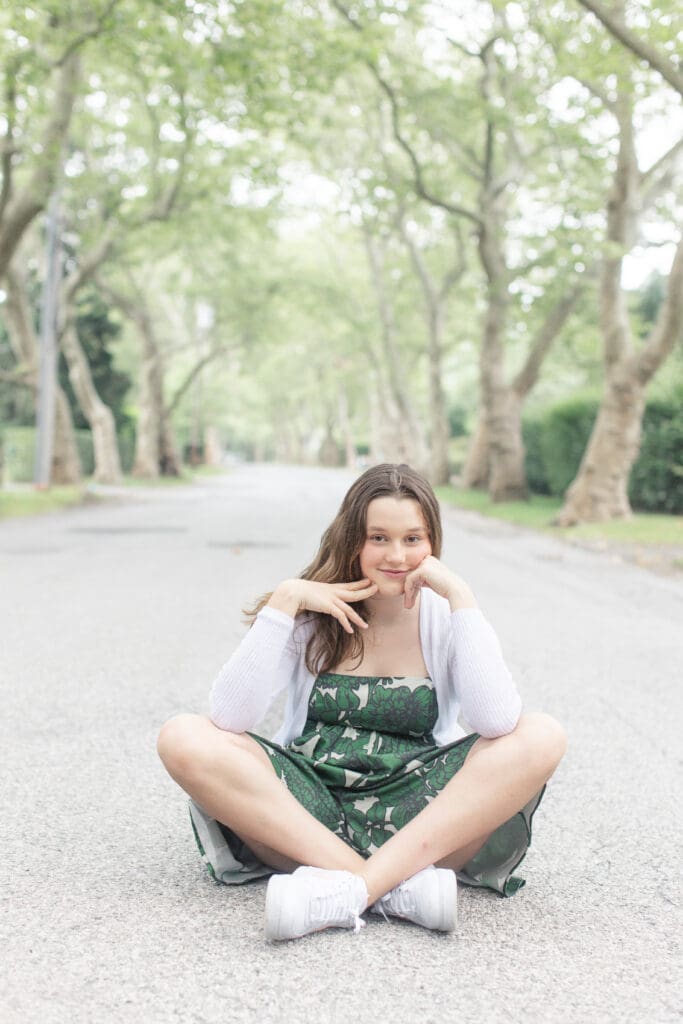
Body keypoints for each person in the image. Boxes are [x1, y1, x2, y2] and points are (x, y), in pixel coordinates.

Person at [157, 463, 566, 941]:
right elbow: (229, 717)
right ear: (354, 539)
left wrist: (461, 595)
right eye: (379, 538)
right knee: (182, 735)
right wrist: (286, 601)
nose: (397, 555)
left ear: (433, 542)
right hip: (309, 817)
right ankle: (395, 892)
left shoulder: (445, 616)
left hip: (417, 819)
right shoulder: (314, 612)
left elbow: (496, 719)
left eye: (413, 539)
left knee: (542, 735)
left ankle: (352, 889)